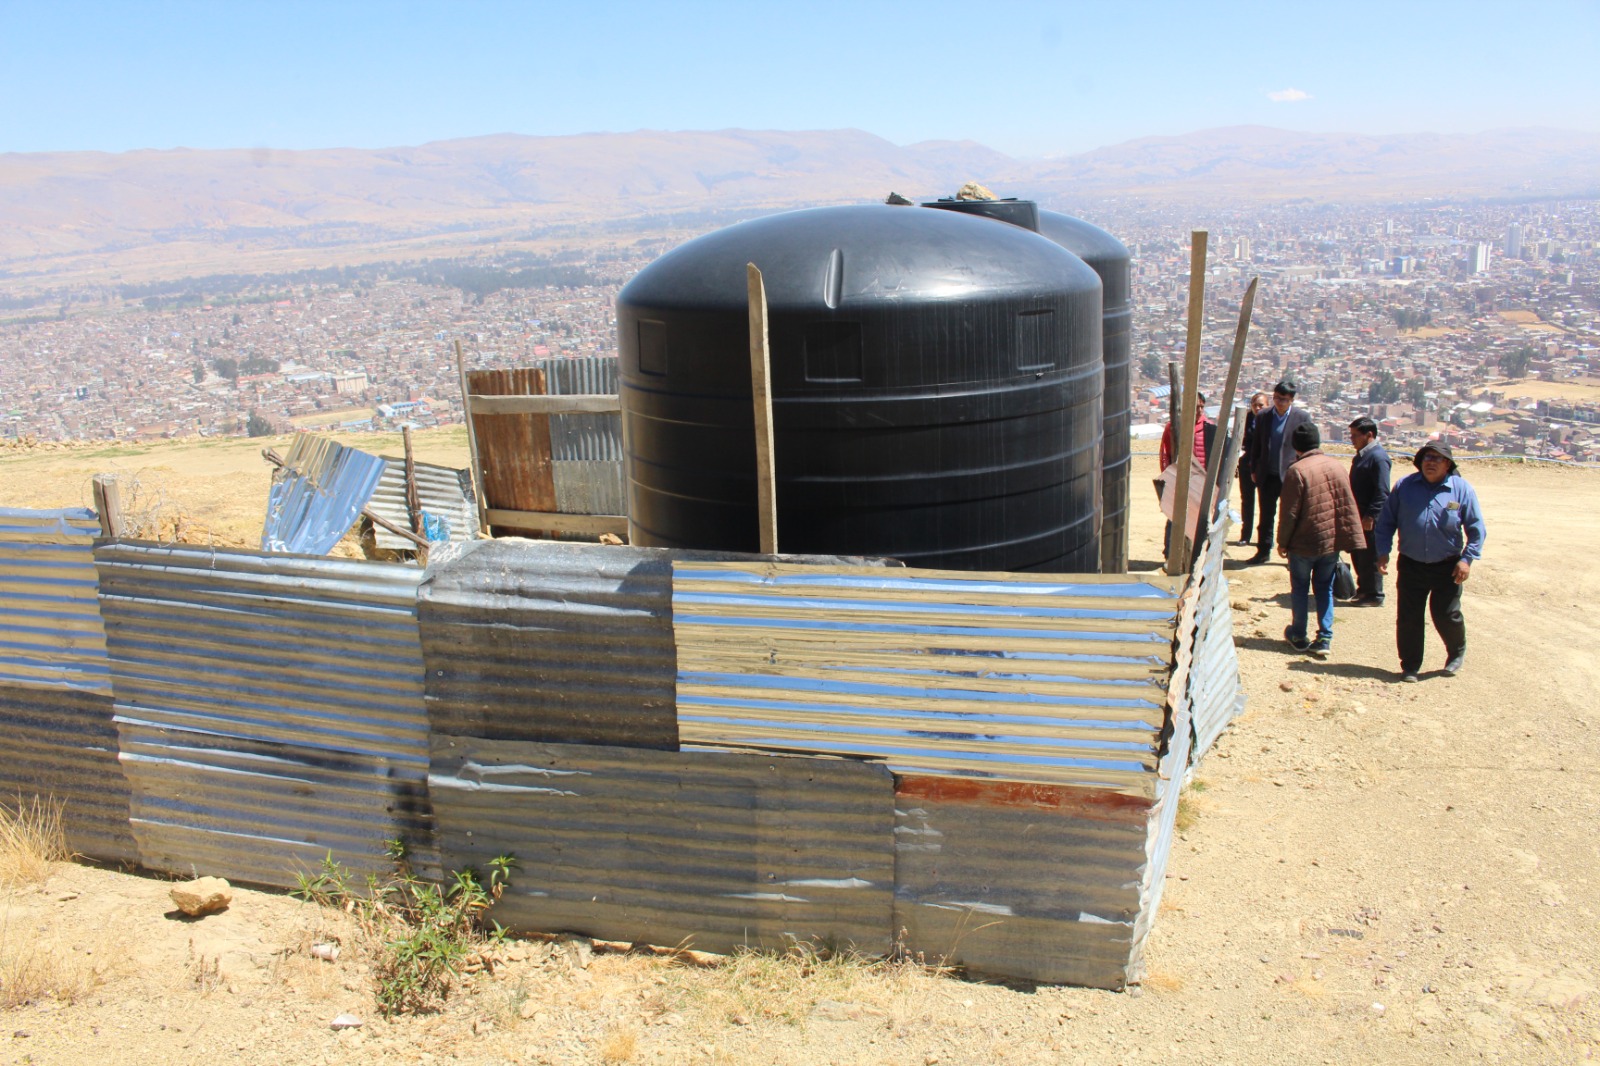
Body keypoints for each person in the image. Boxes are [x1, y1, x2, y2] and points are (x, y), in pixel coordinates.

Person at [1372, 442, 1487, 683]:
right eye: (1426, 457)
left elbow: (1476, 530)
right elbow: (1385, 523)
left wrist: (1466, 560)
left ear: (1448, 464)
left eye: (1437, 458)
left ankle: (1456, 652)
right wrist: (1383, 552)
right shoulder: (1405, 486)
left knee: (1446, 614)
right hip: (1411, 563)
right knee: (1409, 617)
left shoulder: (1461, 489)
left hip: (1447, 565)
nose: (1430, 462)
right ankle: (1410, 665)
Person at [1276, 422, 1365, 659]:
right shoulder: (1336, 466)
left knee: (1300, 588)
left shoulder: (1297, 470)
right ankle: (1325, 636)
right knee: (1324, 588)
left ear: (1296, 446)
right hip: (1330, 542)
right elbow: (1346, 504)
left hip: (1303, 543)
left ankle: (1298, 634)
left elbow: (1289, 513)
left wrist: (1282, 542)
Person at [1247, 380, 1312, 564]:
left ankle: (1292, 554)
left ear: (1291, 399)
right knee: (1266, 514)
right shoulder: (1263, 416)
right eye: (1276, 398)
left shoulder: (1302, 418)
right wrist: (1254, 468)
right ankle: (1263, 550)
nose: (1279, 402)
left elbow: (1307, 447)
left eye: (1283, 399)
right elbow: (1256, 445)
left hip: (1292, 475)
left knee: (1291, 516)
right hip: (1267, 474)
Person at [1347, 417, 1391, 605]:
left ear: (1369, 435)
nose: (1352, 439)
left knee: (1370, 555)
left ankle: (1374, 594)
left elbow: (1382, 491)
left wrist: (1371, 515)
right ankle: (1364, 589)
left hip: (1369, 517)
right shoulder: (1362, 455)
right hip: (1358, 514)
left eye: (1356, 435)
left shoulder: (1378, 457)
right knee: (1359, 554)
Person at [1236, 392, 1268, 545]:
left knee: (1266, 503)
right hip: (1246, 465)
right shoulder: (1245, 419)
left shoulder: (1271, 420)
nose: (1257, 408)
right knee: (1247, 501)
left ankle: (1264, 538)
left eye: (1261, 405)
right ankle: (1245, 535)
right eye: (1255, 404)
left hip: (1265, 467)